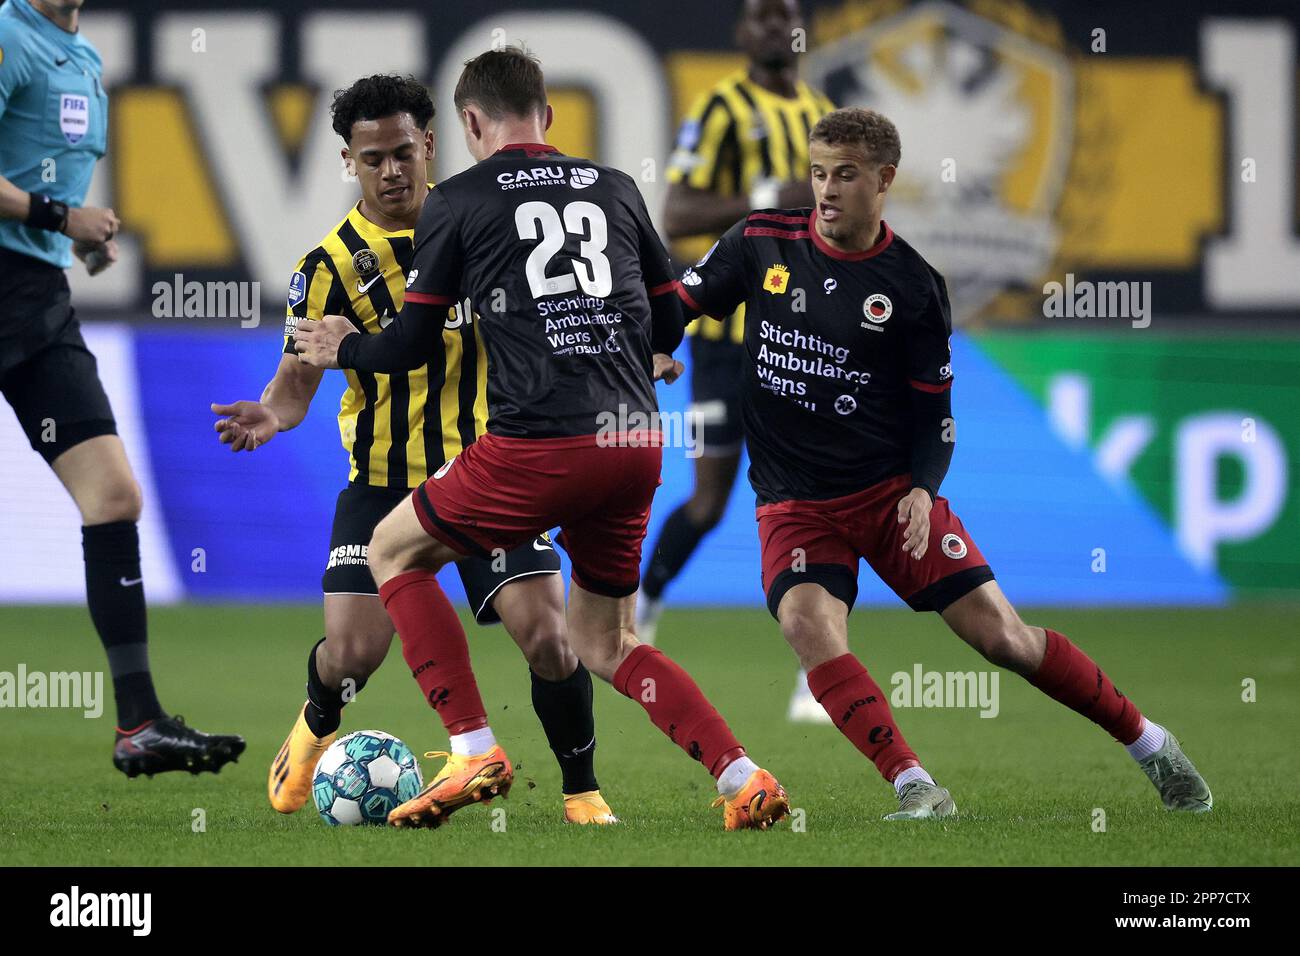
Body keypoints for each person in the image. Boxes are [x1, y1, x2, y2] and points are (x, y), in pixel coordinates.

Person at [294, 47, 789, 831]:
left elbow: (410, 346)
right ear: (549, 117)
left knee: (393, 550)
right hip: (632, 442)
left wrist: (340, 348)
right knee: (610, 640)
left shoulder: (456, 200)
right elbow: (667, 321)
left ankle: (472, 746)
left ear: (467, 124)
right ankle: (741, 776)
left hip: (536, 446)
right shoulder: (616, 187)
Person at [674, 107, 1213, 818]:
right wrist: (656, 340)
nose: (826, 190)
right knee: (808, 625)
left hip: (890, 496)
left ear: (884, 180)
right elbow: (680, 300)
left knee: (1005, 640)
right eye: (817, 173)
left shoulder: (912, 287)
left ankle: (1150, 742)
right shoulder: (760, 242)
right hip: (795, 502)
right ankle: (915, 785)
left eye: (845, 175)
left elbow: (937, 419)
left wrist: (925, 491)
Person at [211, 74, 616, 825]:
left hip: (489, 473)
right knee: (352, 655)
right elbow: (295, 386)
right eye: (373, 159)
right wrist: (270, 415)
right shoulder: (325, 267)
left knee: (549, 638)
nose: (391, 171)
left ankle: (581, 792)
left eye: (403, 152)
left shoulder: (485, 227)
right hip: (381, 484)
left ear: (430, 144)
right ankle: (313, 727)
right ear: (347, 162)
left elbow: (558, 318)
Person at [0, 0, 243, 776]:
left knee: (112, 497)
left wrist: (77, 237)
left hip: (34, 299)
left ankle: (139, 723)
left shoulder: (83, 58)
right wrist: (58, 213)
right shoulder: (8, 32)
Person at [646, 0, 835, 723]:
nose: (772, 25)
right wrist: (769, 197)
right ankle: (645, 601)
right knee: (709, 499)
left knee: (809, 501)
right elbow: (678, 212)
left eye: (785, 13)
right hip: (727, 342)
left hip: (803, 339)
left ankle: (816, 674)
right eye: (759, 14)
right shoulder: (723, 106)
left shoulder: (820, 111)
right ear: (741, 32)